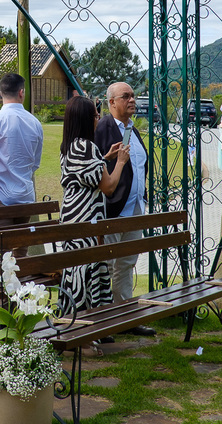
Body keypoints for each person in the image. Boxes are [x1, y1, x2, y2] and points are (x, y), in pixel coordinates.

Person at [92, 81, 155, 335]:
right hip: (112, 210)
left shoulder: (133, 129)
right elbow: (97, 165)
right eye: (126, 96)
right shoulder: (103, 129)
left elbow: (139, 168)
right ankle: (103, 320)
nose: (132, 100)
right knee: (105, 265)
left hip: (135, 209)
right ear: (111, 103)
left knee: (127, 263)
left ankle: (125, 317)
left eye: (133, 96)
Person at [59, 96, 128, 319]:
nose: (98, 118)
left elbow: (86, 175)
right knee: (88, 272)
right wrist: (120, 162)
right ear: (86, 119)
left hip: (72, 214)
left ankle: (83, 321)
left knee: (75, 272)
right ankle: (87, 323)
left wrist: (105, 157)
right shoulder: (87, 147)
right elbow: (107, 186)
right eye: (95, 115)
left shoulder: (69, 146)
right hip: (86, 217)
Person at [0, 73, 43, 228]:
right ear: (21, 92)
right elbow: (35, 163)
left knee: (0, 250)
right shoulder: (35, 123)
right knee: (21, 249)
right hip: (25, 194)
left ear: (1, 92)